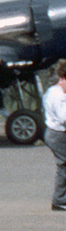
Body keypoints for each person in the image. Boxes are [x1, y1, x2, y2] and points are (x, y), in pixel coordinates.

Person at [45, 58, 66, 212]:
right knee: (63, 166)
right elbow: (63, 117)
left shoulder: (52, 91)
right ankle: (59, 200)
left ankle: (60, 199)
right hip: (58, 134)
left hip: (55, 132)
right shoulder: (59, 96)